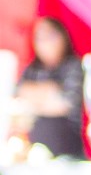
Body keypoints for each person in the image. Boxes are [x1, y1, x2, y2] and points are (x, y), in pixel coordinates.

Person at [9, 18, 84, 159]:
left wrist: (33, 100)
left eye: (50, 35)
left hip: (68, 150)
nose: (45, 43)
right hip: (36, 150)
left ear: (63, 36)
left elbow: (66, 103)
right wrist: (50, 91)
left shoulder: (73, 66)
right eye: (39, 38)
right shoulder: (31, 70)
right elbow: (17, 99)